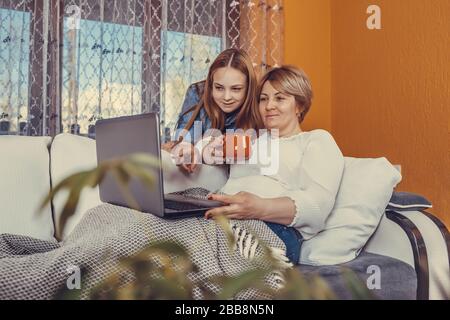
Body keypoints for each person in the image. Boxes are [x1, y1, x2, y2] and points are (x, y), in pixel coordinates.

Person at [205, 66, 345, 265]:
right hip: (222, 218)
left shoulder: (316, 140)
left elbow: (316, 207)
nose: (269, 105)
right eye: (263, 99)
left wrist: (258, 208)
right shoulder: (252, 142)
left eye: (280, 98)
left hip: (274, 229)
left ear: (300, 106)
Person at [162, 48, 262, 173]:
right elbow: (184, 140)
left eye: (236, 89)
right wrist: (187, 149)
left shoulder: (260, 102)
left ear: (249, 88)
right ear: (210, 84)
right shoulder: (197, 93)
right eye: (219, 88)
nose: (226, 97)